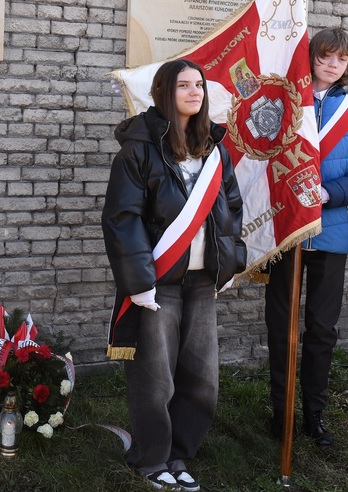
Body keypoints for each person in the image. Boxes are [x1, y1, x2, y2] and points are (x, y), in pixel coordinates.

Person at [103, 59, 246, 491]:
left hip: (203, 283)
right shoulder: (139, 149)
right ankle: (151, 460)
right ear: (164, 92)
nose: (194, 91)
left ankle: (179, 453)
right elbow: (122, 219)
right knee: (155, 379)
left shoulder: (215, 148)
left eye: (199, 85)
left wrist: (231, 261)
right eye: (183, 85)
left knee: (202, 378)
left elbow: (232, 211)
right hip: (157, 284)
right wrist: (139, 281)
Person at [264, 27, 348, 447]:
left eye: (342, 60)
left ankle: (313, 414)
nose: (333, 65)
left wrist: (331, 193)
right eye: (326, 56)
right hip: (287, 231)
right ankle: (282, 412)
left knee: (320, 328)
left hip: (332, 234)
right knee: (282, 327)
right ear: (311, 57)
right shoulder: (285, 101)